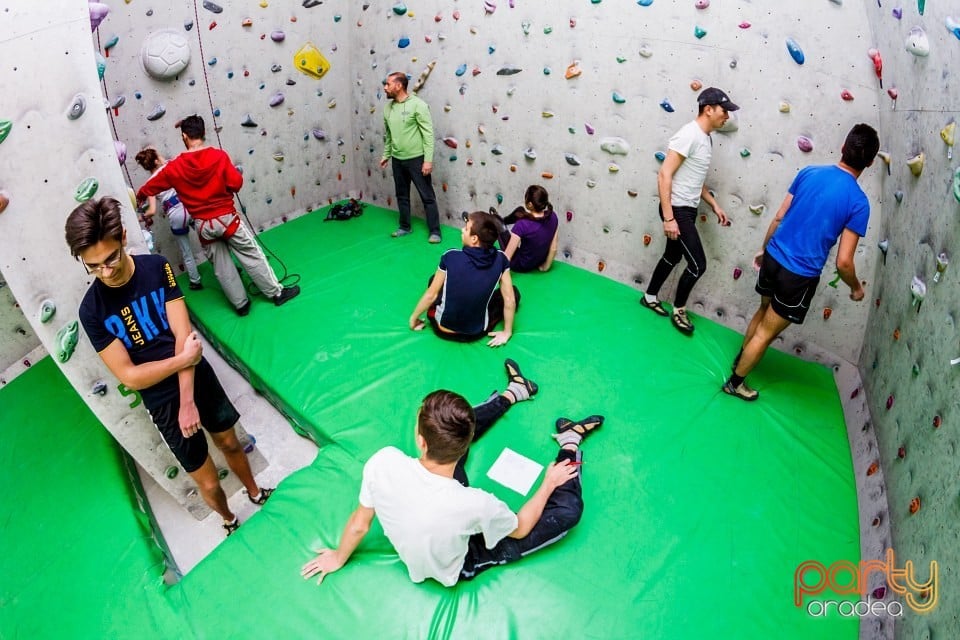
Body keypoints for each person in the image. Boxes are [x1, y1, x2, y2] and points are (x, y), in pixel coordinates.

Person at [65, 196, 274, 535]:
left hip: (197, 382)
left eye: (110, 258)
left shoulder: (157, 267)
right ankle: (229, 519)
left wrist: (188, 400)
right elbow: (130, 376)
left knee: (231, 443)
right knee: (207, 481)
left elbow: (181, 333)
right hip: (161, 401)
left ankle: (255, 491)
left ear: (121, 239)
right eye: (93, 266)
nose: (105, 272)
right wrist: (181, 362)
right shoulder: (92, 310)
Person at [300, 360, 604, 587]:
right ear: (464, 450)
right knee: (569, 510)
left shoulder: (383, 461)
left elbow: (359, 525)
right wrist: (548, 483)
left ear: (420, 440)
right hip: (459, 564)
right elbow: (521, 528)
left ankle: (514, 393)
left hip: (441, 517)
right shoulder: (475, 503)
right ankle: (570, 441)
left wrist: (338, 557)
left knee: (450, 421)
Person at [722, 123, 879, 401]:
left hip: (774, 257)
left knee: (762, 313)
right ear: (869, 162)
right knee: (767, 333)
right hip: (798, 276)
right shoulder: (858, 203)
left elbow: (779, 217)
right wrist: (856, 288)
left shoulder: (809, 172)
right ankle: (735, 383)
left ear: (843, 147)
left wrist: (763, 248)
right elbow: (844, 262)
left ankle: (741, 360)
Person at [137, 115, 300, 316]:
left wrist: (139, 198)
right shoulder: (219, 156)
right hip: (227, 219)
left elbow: (148, 188)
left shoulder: (174, 167)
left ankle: (241, 305)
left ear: (184, 136)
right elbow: (236, 184)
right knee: (252, 256)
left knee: (222, 267)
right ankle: (276, 294)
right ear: (203, 134)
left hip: (204, 226)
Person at [639, 87, 738, 335]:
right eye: (724, 111)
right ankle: (679, 309)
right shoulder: (689, 134)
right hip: (678, 210)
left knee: (672, 256)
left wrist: (713, 204)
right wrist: (669, 217)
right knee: (698, 265)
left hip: (687, 209)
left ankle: (650, 296)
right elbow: (665, 175)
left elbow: (694, 178)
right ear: (708, 109)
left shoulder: (705, 138)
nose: (727, 116)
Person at [409, 211, 518, 347]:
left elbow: (431, 295)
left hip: (443, 330)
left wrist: (413, 318)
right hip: (475, 333)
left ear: (474, 239)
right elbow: (510, 300)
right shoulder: (501, 259)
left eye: (466, 228)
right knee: (513, 292)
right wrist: (507, 332)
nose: (462, 230)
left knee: (435, 280)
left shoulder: (450, 256)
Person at [379, 71, 442, 244]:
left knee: (427, 196)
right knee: (402, 195)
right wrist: (386, 155)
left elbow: (428, 135)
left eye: (388, 84)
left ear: (399, 86)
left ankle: (435, 231)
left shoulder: (418, 105)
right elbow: (389, 136)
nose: (385, 87)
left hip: (417, 159)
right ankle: (405, 226)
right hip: (397, 160)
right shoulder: (387, 108)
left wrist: (428, 160)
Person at [134, 147, 203, 291]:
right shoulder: (169, 167)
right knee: (208, 240)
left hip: (176, 215)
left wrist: (141, 218)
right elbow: (163, 160)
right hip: (189, 205)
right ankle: (225, 268)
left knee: (186, 250)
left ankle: (195, 281)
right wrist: (156, 154)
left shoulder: (151, 184)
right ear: (156, 160)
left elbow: (152, 211)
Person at [499, 185, 560, 273]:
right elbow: (554, 247)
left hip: (521, 265)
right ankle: (506, 220)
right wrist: (545, 266)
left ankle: (502, 221)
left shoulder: (522, 224)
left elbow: (508, 256)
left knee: (497, 222)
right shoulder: (553, 216)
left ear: (530, 204)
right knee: (520, 211)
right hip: (539, 261)